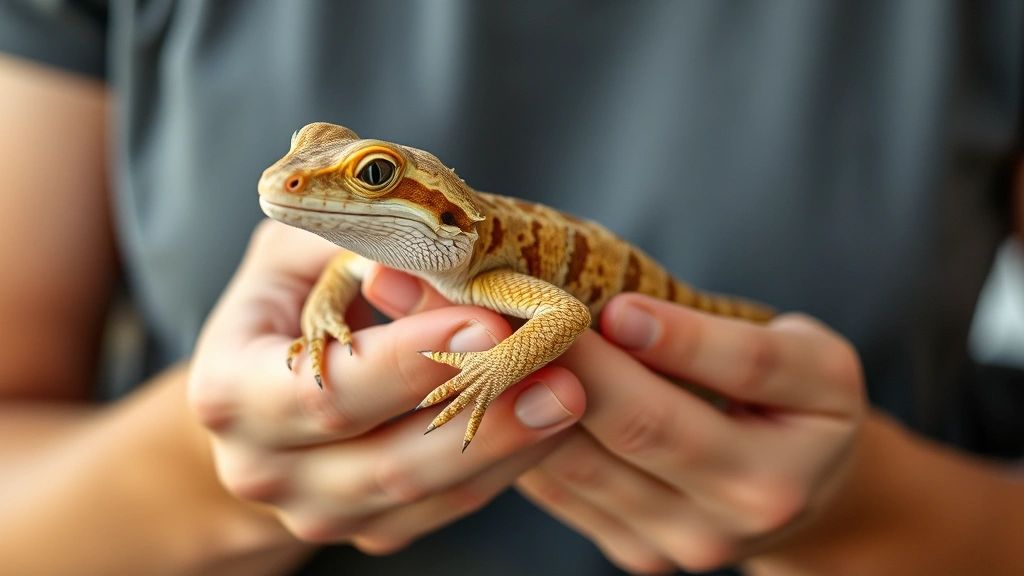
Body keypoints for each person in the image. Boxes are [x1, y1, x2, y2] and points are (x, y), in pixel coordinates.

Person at [1, 2, 1022, 575]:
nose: (303, 184)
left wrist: (868, 512)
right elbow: (335, 279)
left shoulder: (488, 264)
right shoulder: (381, 259)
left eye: (367, 179)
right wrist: (211, 453)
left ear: (441, 216)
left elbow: (567, 315)